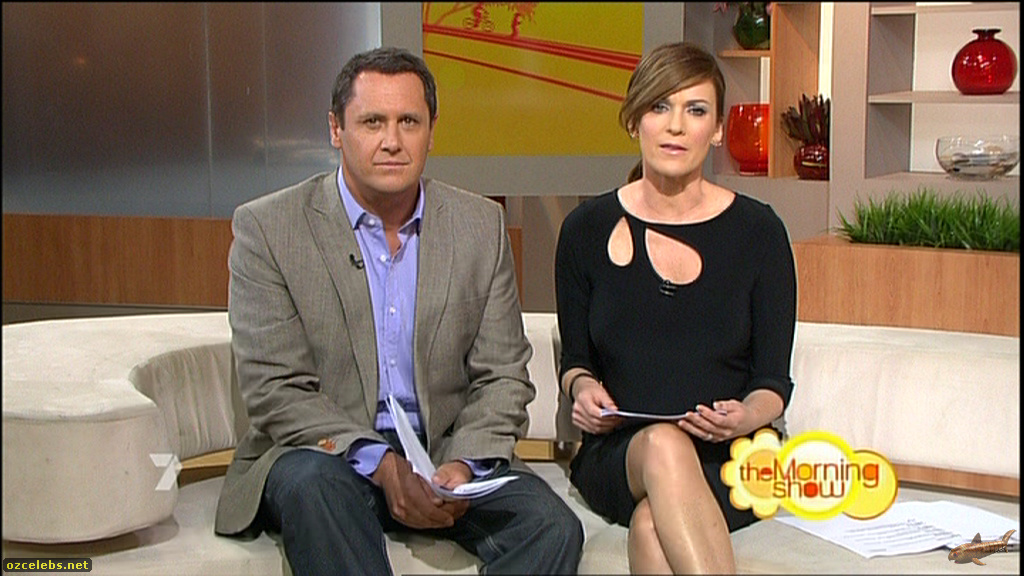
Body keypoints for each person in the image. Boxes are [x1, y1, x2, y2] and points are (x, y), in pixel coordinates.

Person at [214, 46, 583, 576]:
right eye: (372, 122)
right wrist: (384, 465)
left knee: (552, 526)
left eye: (409, 121)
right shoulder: (270, 229)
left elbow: (503, 375)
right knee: (316, 488)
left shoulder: (479, 226)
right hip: (325, 454)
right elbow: (276, 389)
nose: (392, 140)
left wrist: (463, 464)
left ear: (431, 131)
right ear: (336, 129)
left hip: (445, 453)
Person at [554, 41, 796, 574]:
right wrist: (582, 390)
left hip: (731, 458)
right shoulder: (585, 230)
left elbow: (772, 383)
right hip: (623, 455)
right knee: (664, 446)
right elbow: (576, 361)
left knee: (651, 526)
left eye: (696, 110)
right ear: (634, 120)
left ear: (717, 129)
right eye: (659, 107)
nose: (676, 126)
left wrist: (744, 417)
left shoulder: (759, 233)